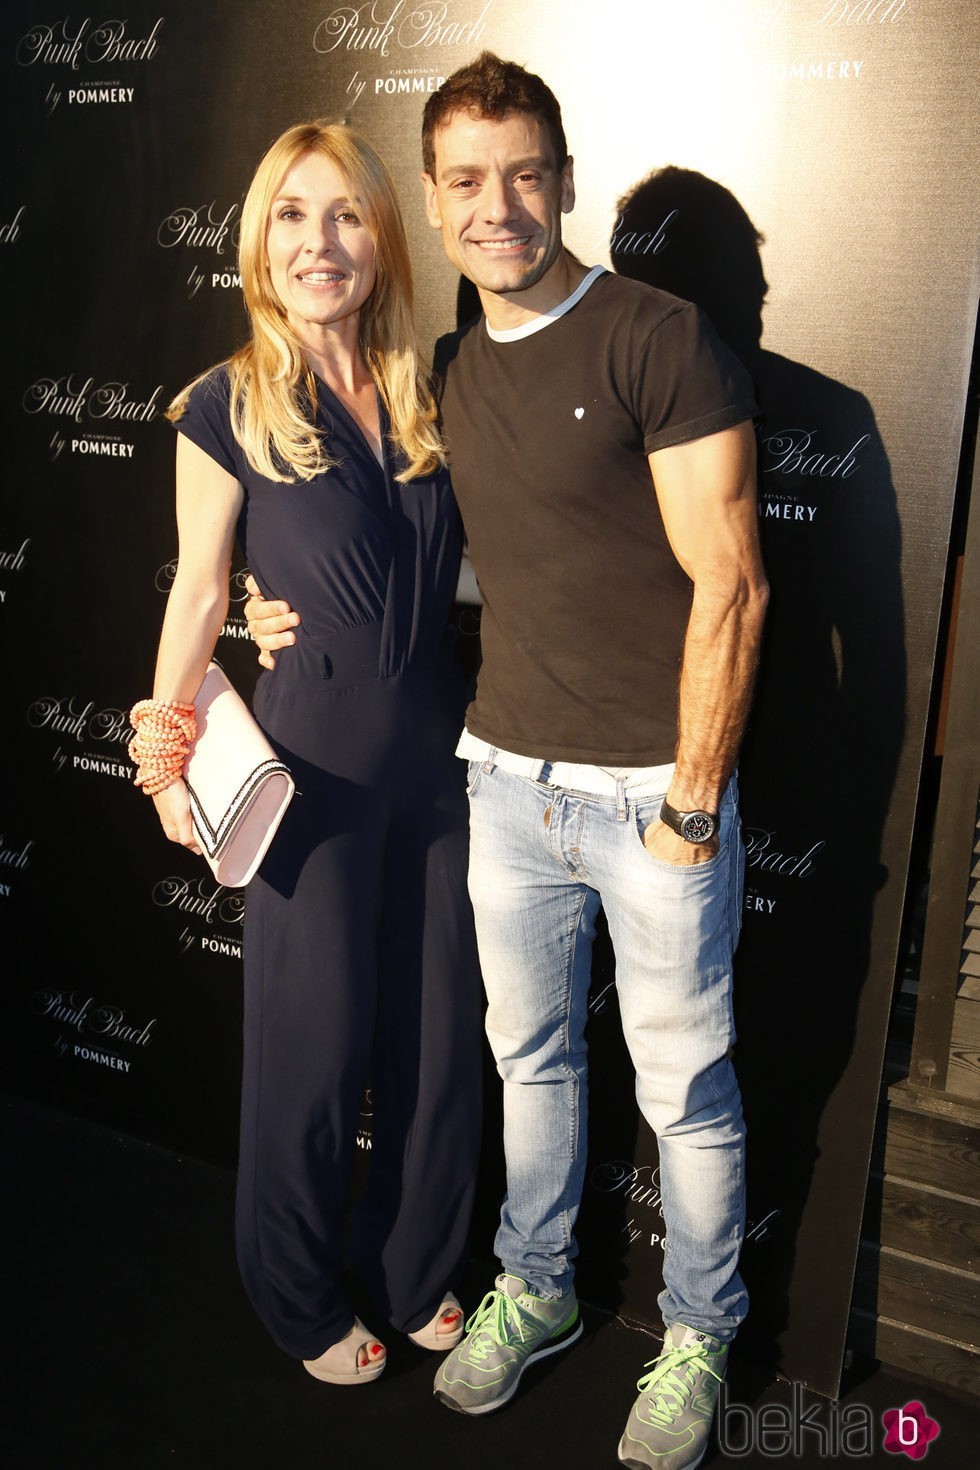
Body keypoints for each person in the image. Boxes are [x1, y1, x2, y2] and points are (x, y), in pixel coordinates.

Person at [246, 54, 768, 1469]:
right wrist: (264, 606)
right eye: (468, 181)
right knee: (528, 1063)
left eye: (525, 175)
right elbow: (440, 560)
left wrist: (691, 805)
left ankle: (697, 1331)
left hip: (653, 792)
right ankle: (535, 1285)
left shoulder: (658, 337)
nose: (499, 207)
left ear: (565, 182)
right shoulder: (443, 376)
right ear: (431, 201)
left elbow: (732, 585)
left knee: (683, 1088)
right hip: (500, 784)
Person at [130, 120, 483, 1386]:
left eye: (342, 214)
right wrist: (165, 750)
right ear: (258, 241)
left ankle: (417, 1265)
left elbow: (476, 564)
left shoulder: (435, 389)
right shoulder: (225, 402)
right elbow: (196, 587)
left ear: (381, 236)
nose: (317, 241)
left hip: (443, 766)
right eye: (290, 214)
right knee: (312, 1045)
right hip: (313, 772)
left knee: (441, 1039)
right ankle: (294, 1292)